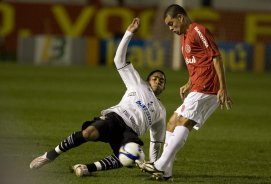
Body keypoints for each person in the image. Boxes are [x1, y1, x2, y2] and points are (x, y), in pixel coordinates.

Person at [30, 18, 167, 177]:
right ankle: (50, 155)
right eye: (155, 78)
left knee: (129, 156)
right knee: (89, 133)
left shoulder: (161, 111)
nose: (158, 81)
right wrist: (129, 33)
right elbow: (118, 60)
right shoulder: (138, 83)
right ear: (148, 80)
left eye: (162, 80)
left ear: (164, 87)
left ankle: (86, 168)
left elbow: (156, 141)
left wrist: (156, 166)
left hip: (131, 132)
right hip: (116, 118)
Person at [138, 4, 232, 180]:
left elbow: (216, 57)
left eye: (171, 24)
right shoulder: (183, 37)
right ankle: (166, 172)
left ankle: (159, 165)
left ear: (181, 17)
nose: (171, 28)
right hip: (197, 86)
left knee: (183, 122)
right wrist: (189, 82)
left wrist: (223, 87)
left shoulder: (198, 30)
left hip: (208, 86)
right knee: (172, 122)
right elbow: (197, 62)